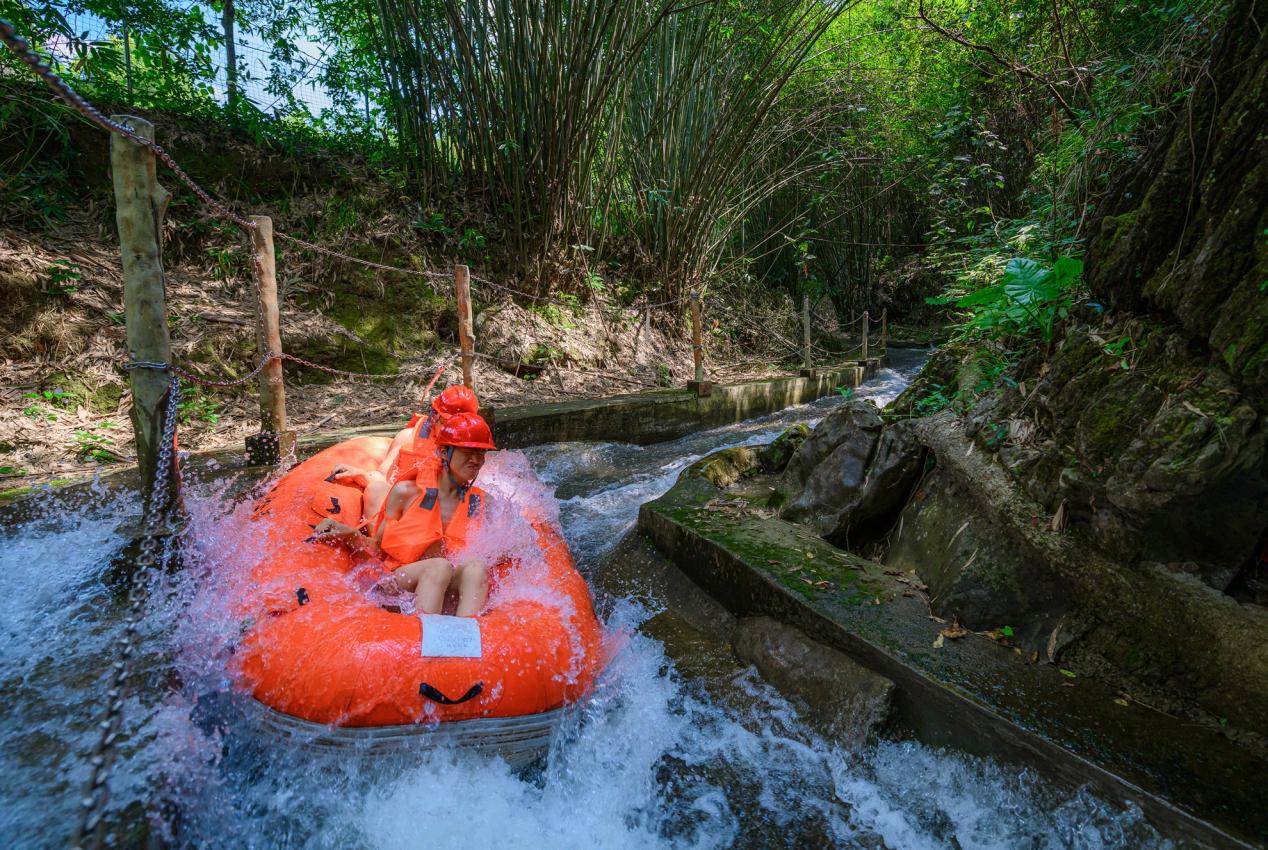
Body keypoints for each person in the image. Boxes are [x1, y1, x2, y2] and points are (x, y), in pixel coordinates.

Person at [312, 412, 497, 617]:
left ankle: (467, 639)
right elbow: (378, 549)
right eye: (468, 451)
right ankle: (423, 638)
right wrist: (349, 534)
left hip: (447, 580)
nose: (476, 460)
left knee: (476, 567)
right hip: (401, 579)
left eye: (481, 453)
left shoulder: (483, 503)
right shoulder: (406, 492)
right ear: (444, 452)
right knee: (439, 566)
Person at [327, 384, 480, 526]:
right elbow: (384, 478)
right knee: (376, 489)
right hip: (402, 507)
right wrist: (361, 474)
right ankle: (377, 546)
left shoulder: (472, 453)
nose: (451, 429)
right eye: (446, 421)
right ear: (434, 416)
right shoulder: (407, 437)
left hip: (441, 514)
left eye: (457, 424)